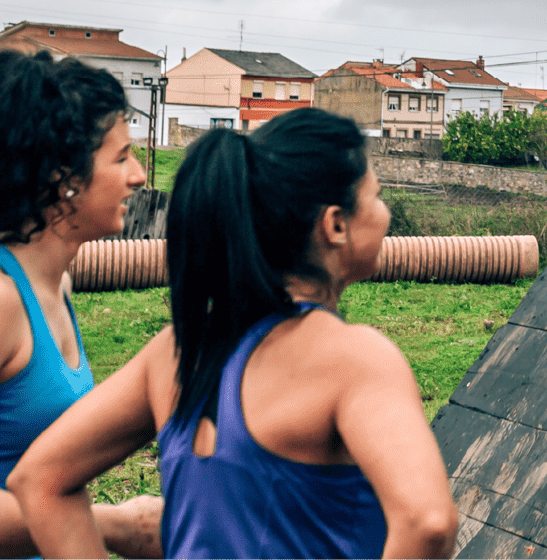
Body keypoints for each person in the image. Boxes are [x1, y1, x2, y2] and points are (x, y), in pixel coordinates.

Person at [9, 108, 457, 560]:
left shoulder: (175, 350)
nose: (387, 212)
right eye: (377, 197)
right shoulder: (353, 358)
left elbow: (41, 477)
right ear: (336, 224)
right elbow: (428, 523)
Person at [0, 51, 162, 559]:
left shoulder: (56, 283)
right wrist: (115, 524)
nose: (138, 176)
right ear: (61, 175)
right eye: (121, 157)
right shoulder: (3, 301)